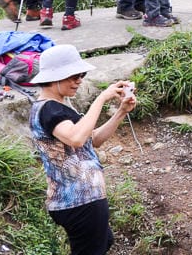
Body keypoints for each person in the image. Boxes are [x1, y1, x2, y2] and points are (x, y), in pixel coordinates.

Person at [29, 44, 137, 255]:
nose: (79, 80)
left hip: (85, 200)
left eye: (82, 75)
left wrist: (121, 112)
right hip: (78, 202)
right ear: (54, 77)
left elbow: (93, 139)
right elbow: (76, 138)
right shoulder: (48, 110)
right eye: (73, 76)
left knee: (104, 241)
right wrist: (102, 98)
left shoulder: (60, 106)